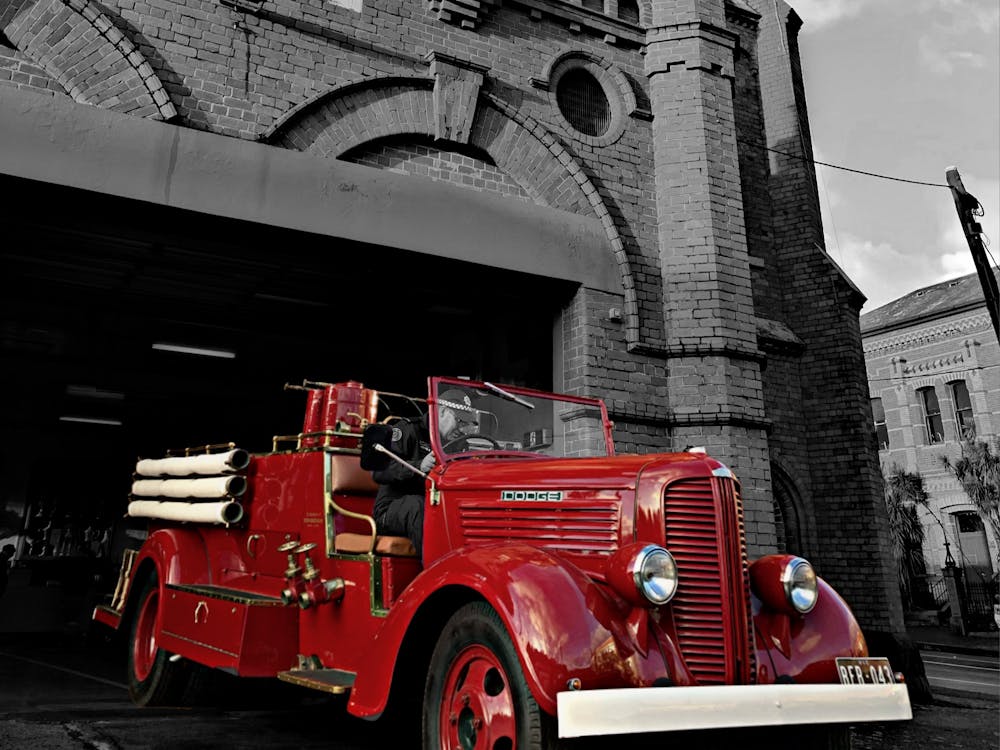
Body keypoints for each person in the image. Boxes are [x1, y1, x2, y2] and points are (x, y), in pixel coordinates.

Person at [371, 390, 477, 560]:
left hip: (435, 507)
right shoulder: (408, 430)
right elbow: (379, 472)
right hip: (391, 510)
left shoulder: (458, 444)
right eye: (460, 421)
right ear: (442, 412)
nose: (462, 429)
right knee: (419, 505)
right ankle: (437, 572)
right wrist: (419, 465)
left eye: (467, 423)